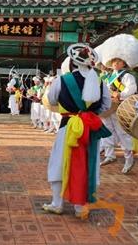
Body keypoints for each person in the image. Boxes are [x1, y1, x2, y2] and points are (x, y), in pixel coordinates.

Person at [42, 44, 111, 217]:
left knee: (59, 163)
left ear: (72, 61)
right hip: (90, 129)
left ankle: (57, 203)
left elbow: (51, 99)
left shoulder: (63, 80)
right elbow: (106, 105)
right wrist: (88, 113)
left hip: (68, 127)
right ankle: (80, 207)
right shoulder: (100, 81)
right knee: (87, 164)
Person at [97, 34, 138, 173]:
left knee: (122, 133)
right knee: (107, 130)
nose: (116, 63)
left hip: (120, 107)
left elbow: (131, 89)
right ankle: (110, 155)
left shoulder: (127, 76)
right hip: (108, 106)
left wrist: (120, 94)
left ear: (124, 63)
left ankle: (129, 159)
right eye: (114, 61)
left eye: (119, 61)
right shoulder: (108, 76)